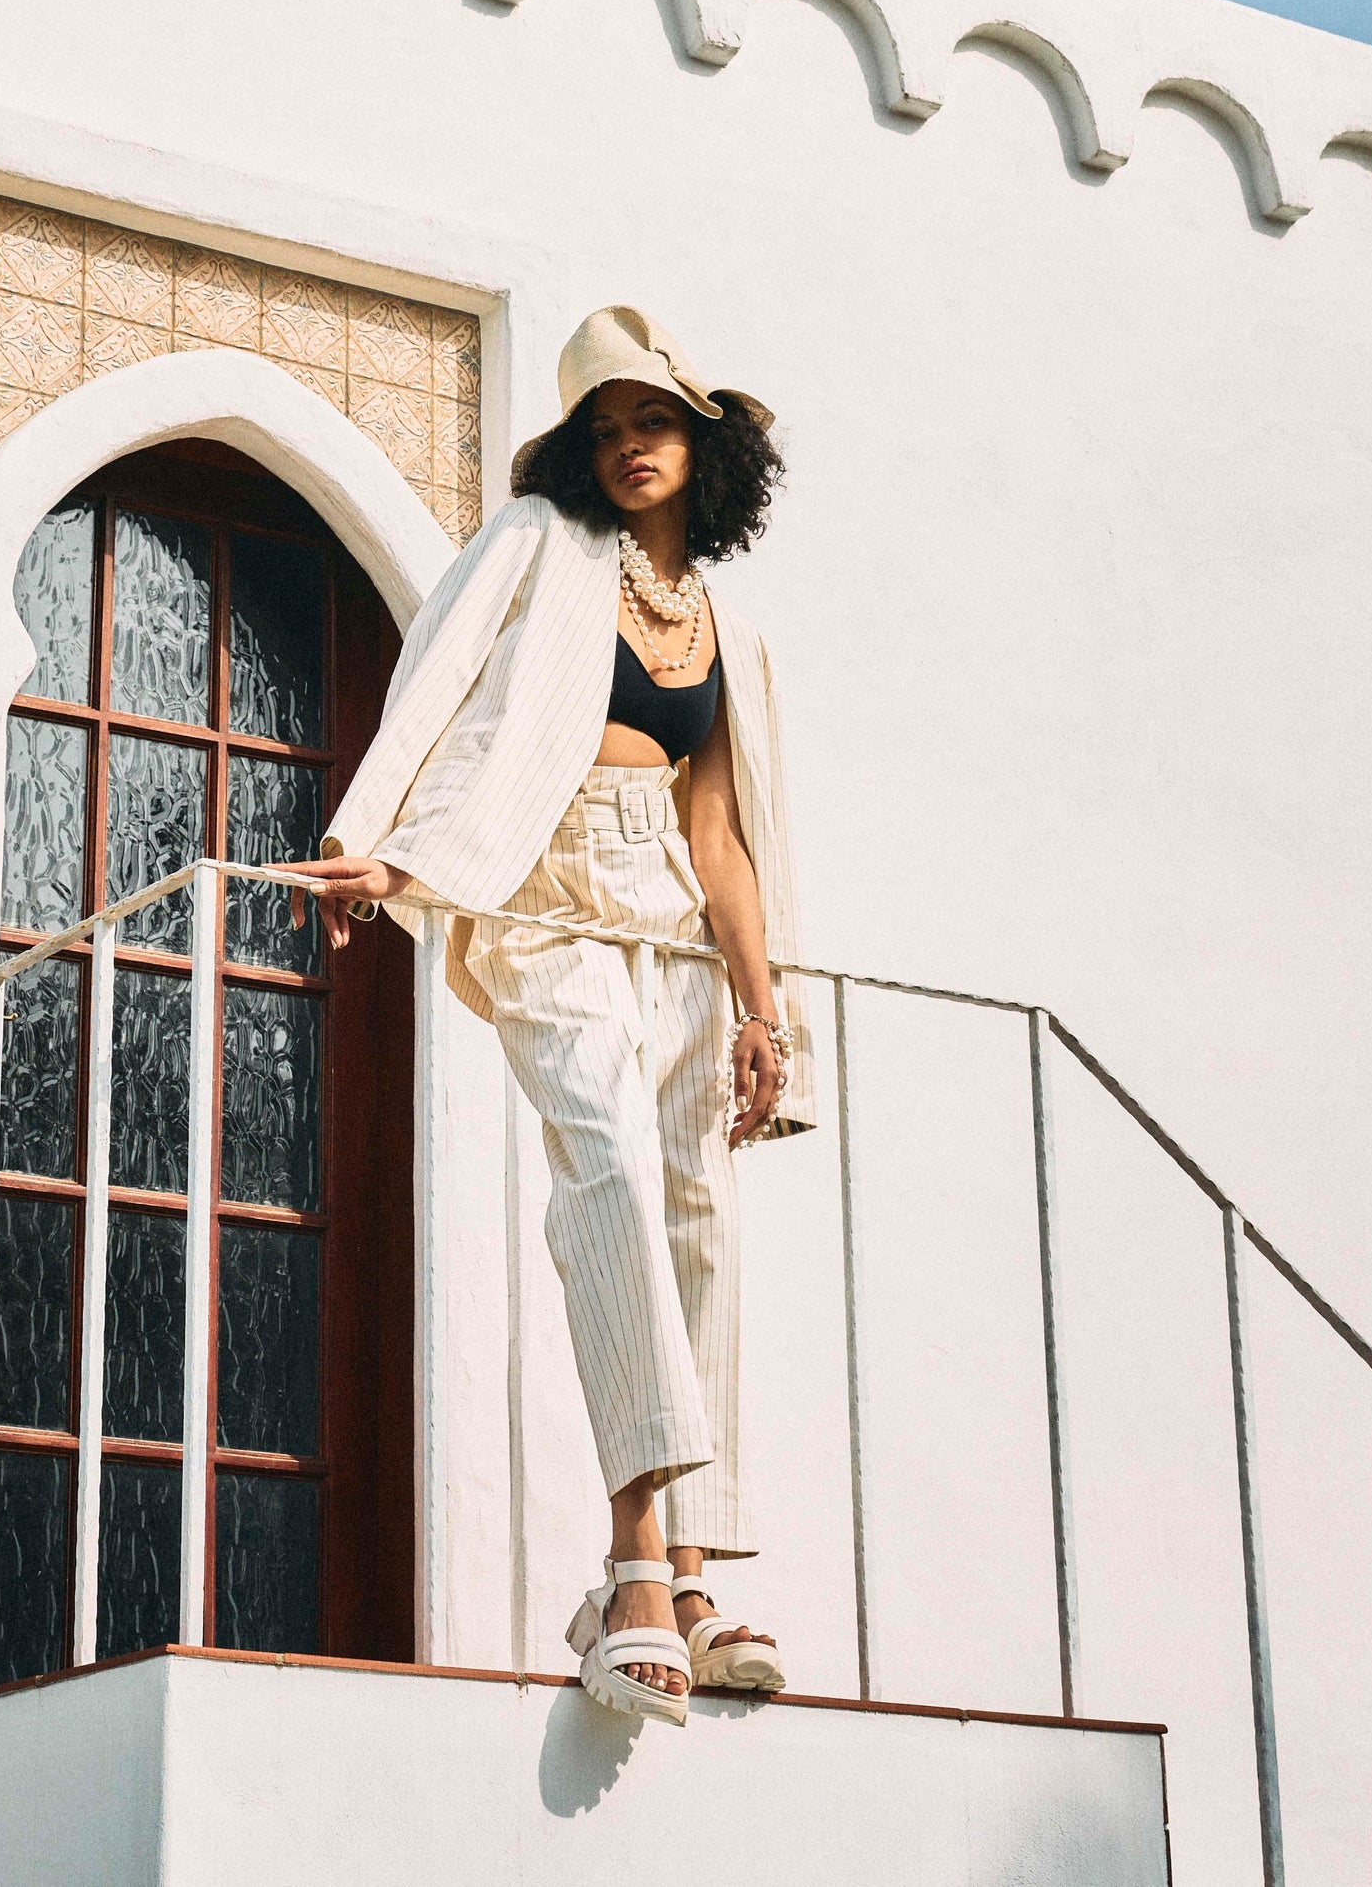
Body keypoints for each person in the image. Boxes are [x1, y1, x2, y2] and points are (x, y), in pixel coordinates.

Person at [280, 306, 812, 1727]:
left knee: (698, 1210)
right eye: (606, 429)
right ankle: (631, 1564)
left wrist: (765, 1014)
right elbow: (436, 673)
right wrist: (381, 844)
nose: (630, 446)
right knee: (613, 1175)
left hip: (674, 916)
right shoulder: (535, 541)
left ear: (702, 444)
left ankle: (692, 1583)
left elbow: (723, 833)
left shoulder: (728, 628)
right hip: (541, 877)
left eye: (653, 421)